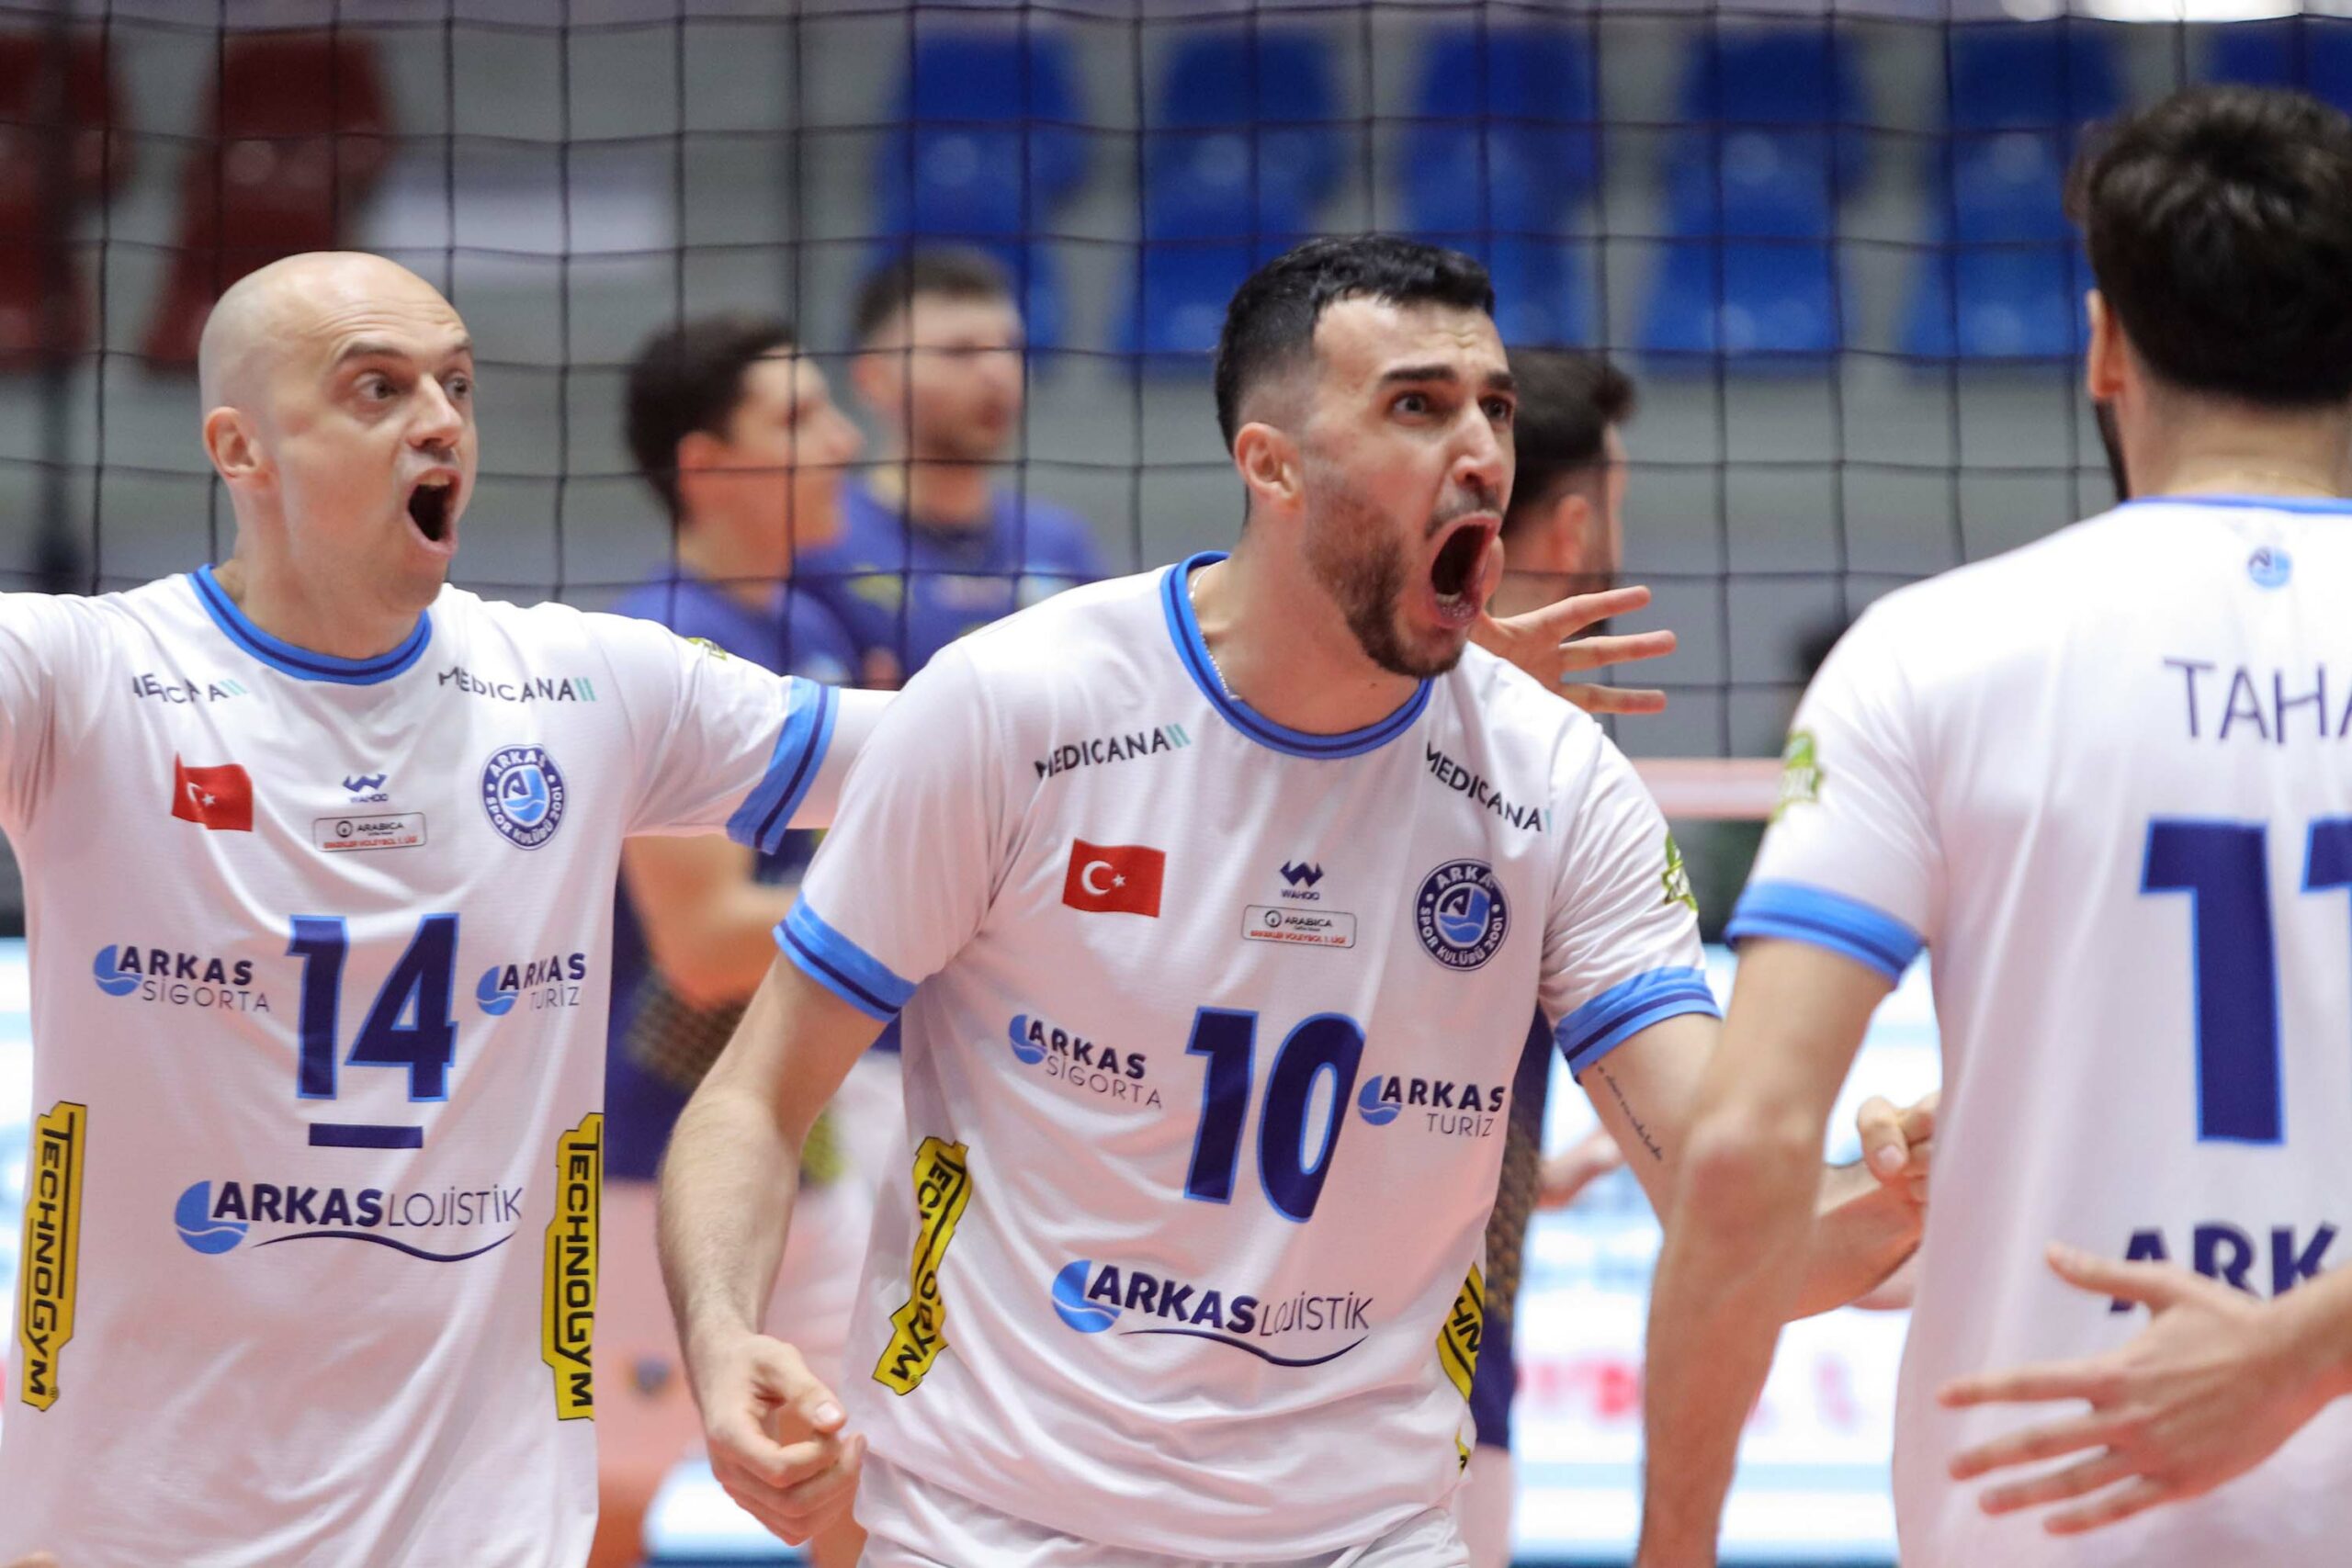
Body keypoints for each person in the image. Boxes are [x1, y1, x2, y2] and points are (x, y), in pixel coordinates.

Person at [657, 235, 1933, 1562]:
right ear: (1270, 465)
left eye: (1495, 407)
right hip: (991, 1520)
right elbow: (753, 1095)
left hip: (1367, 1532)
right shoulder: (1018, 703)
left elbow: (1735, 1208)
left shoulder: (1558, 784)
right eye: (1417, 405)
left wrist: (1899, 1188)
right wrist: (723, 1333)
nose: (1480, 451)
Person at [0, 252, 894, 1566]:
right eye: (377, 387)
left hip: (481, 1527)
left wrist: (1181, 644)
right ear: (241, 450)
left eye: (457, 385)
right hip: (133, 1519)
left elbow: (960, 756)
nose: (440, 421)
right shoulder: (80, 678)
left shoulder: (586, 687)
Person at [1636, 85, 2352, 1568]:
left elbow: (1748, 1144)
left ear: (2103, 344)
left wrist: (1677, 1542)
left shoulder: (1935, 652)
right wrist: (2302, 1347)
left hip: (2034, 1521)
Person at [591, 313, 879, 1568]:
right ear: (706, 465)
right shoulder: (665, 643)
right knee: (606, 1507)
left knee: (864, 1481)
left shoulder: (815, 625)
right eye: (800, 419)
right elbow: (704, 943)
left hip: (801, 1140)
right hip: (649, 1161)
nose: (846, 442)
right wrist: (938, 901)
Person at [1454, 346, 1654, 1568]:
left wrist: (1527, 1161)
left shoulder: (1305, 710)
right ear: (1575, 529)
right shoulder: (1563, 771)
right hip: (1430, 1371)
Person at [797, 246, 1108, 687]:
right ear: (874, 379)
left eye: (1010, 348)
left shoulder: (1060, 544)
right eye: (960, 352)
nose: (997, 373)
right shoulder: (817, 543)